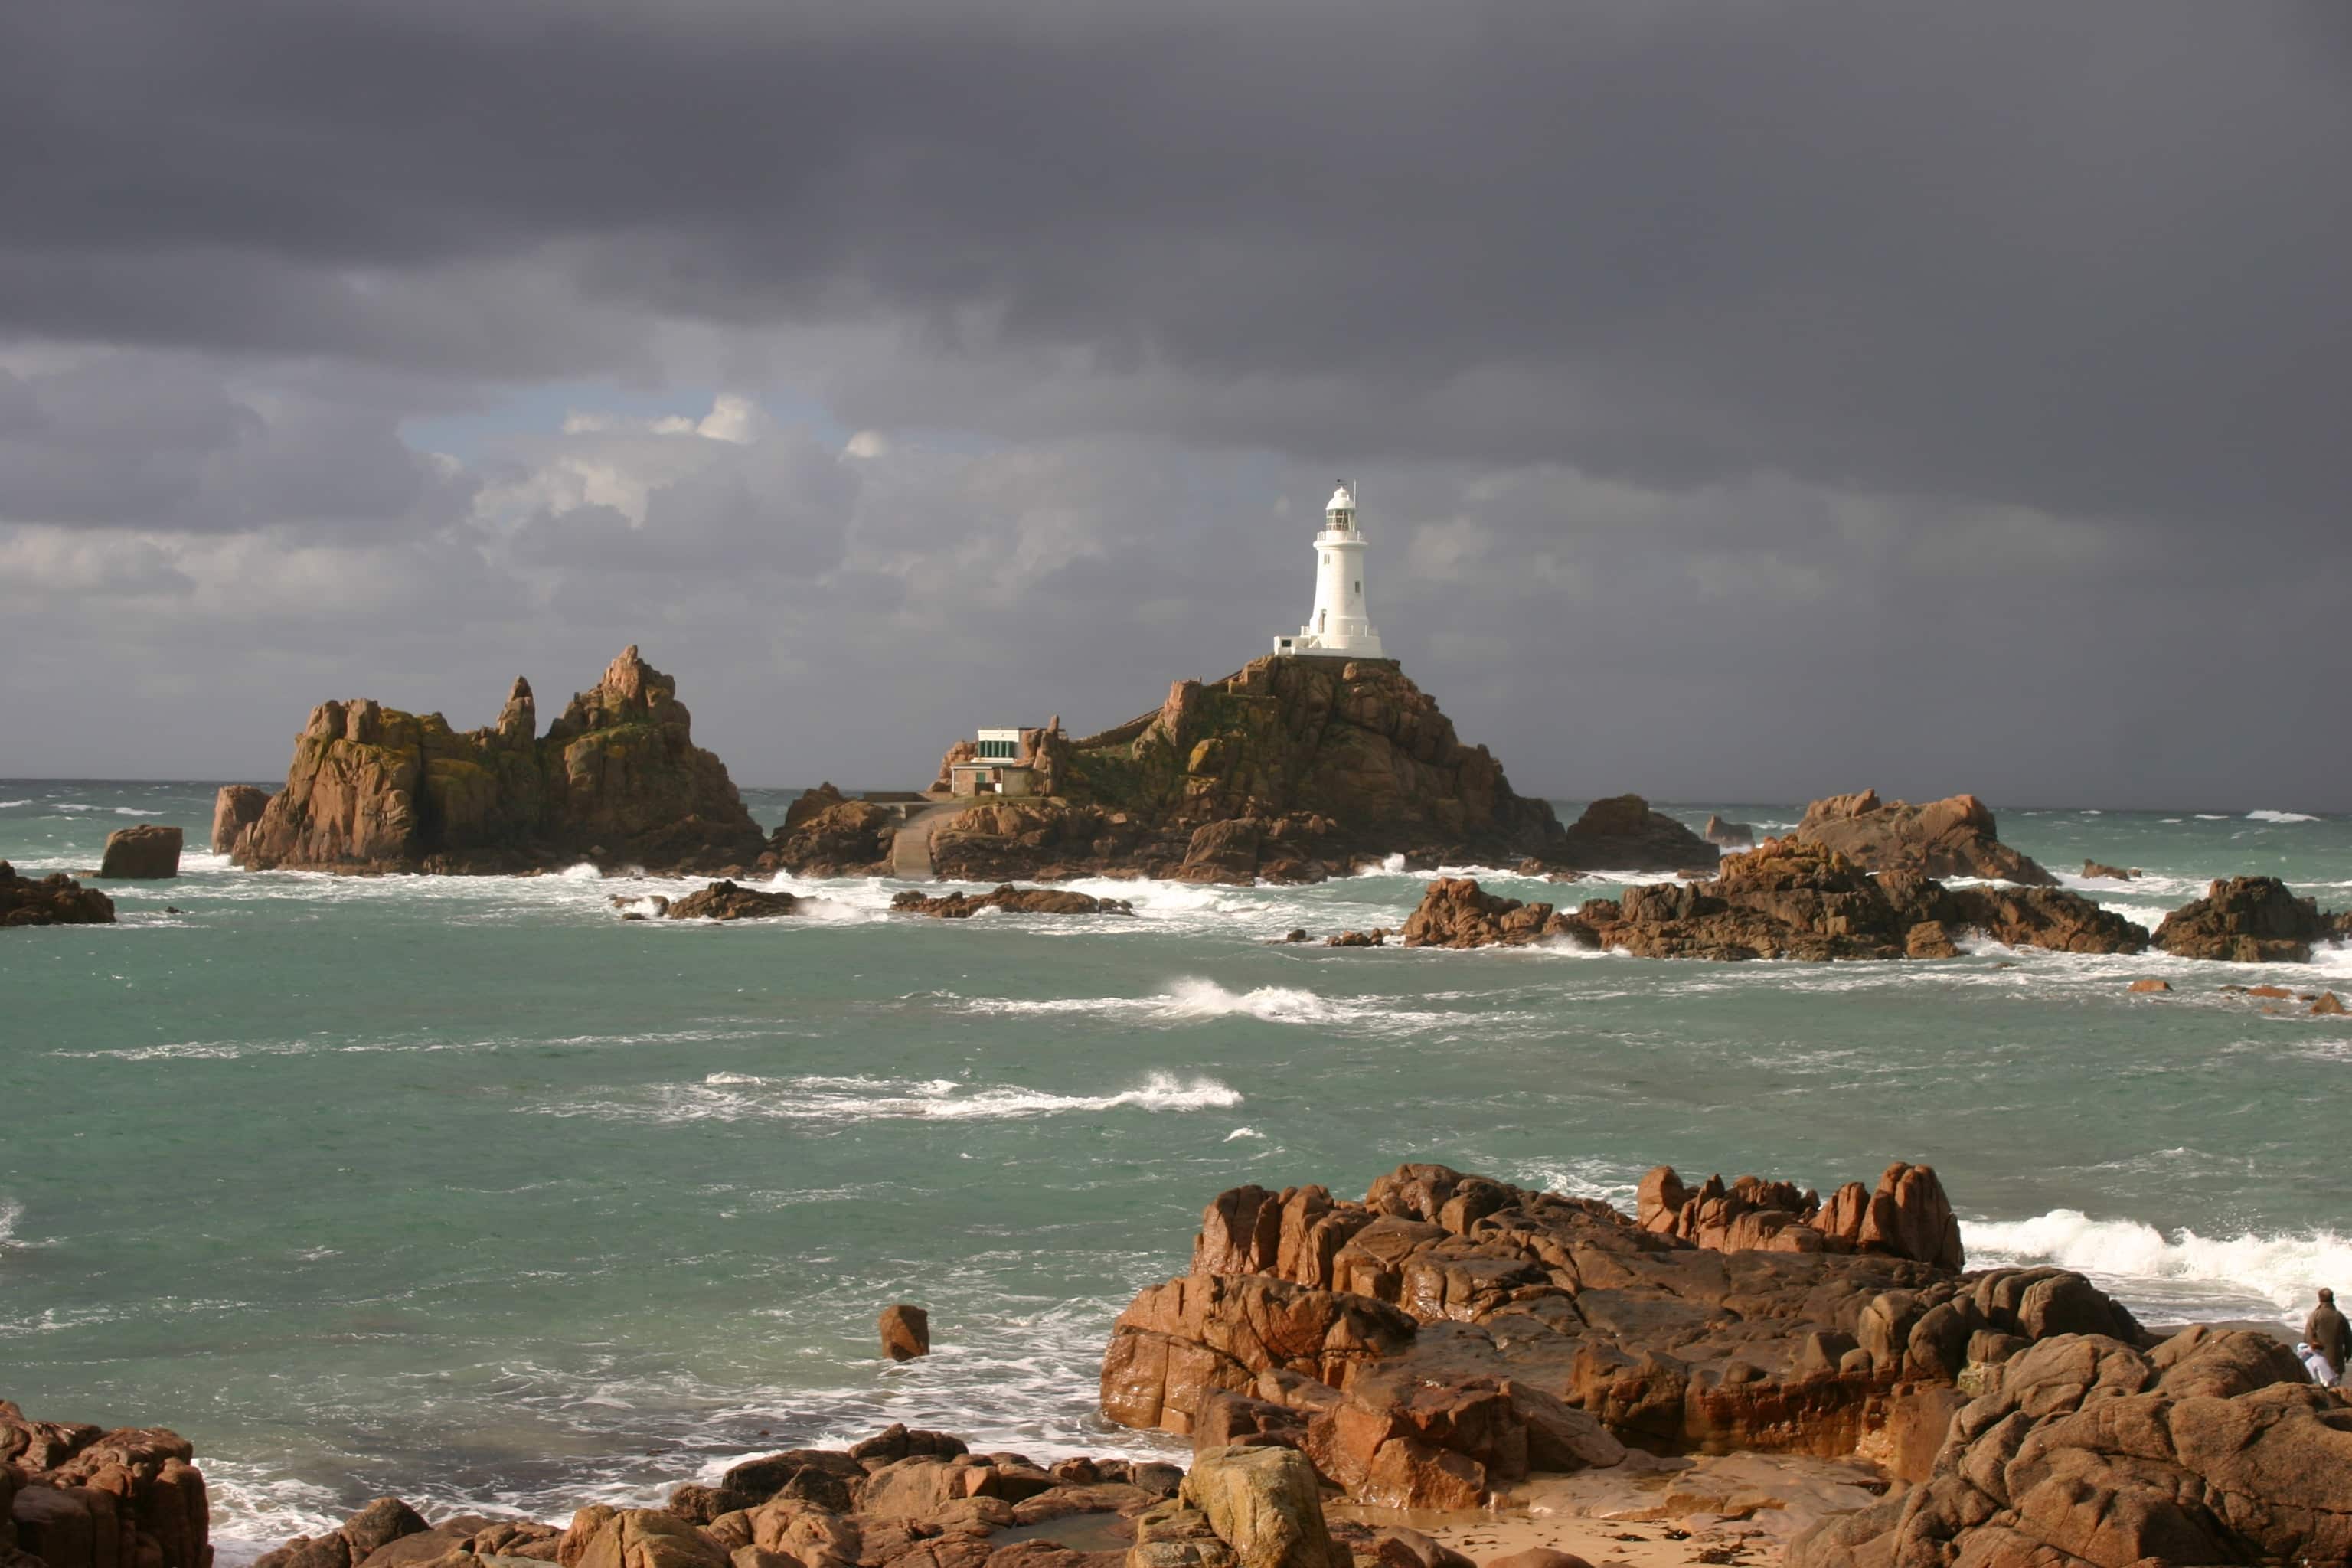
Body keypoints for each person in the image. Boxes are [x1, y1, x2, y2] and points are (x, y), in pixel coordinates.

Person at [2305, 1288, 2351, 1385]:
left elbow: (2308, 1337)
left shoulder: (2315, 1315)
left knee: (2324, 1388)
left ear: (2320, 1299)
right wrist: (2348, 1353)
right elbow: (2349, 1338)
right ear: (2332, 1299)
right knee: (2335, 1389)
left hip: (2319, 1359)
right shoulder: (2340, 1316)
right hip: (2336, 1360)